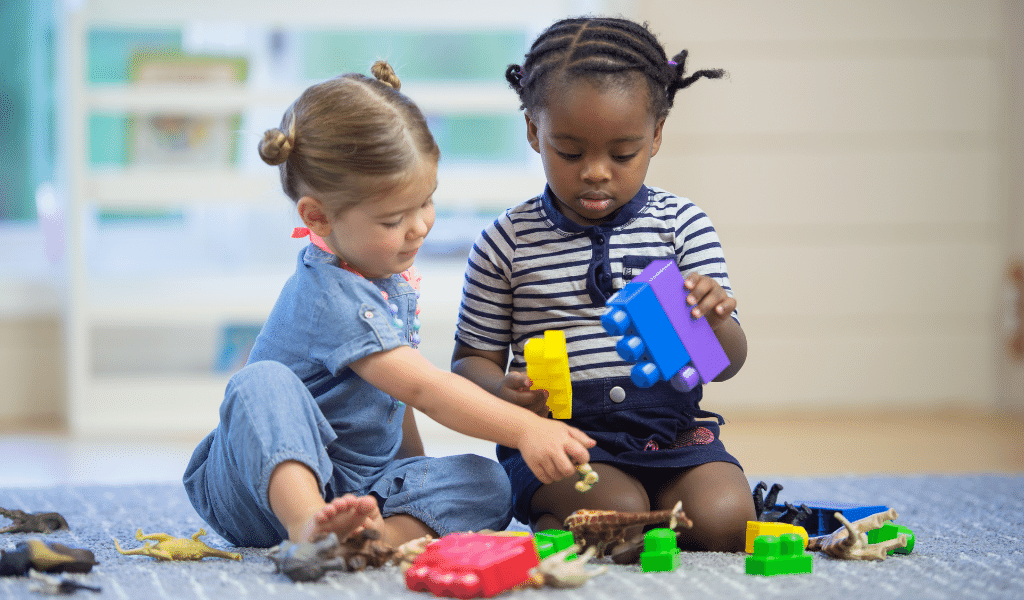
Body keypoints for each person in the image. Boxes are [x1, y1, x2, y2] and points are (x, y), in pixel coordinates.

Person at [183, 61, 595, 550]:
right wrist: (525, 428)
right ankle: (308, 527)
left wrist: (413, 477)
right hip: (257, 488)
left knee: (491, 483)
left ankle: (374, 538)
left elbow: (396, 401)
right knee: (260, 382)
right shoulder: (328, 293)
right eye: (395, 218)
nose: (420, 226)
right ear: (318, 216)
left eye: (427, 202)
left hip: (357, 487)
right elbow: (423, 387)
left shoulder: (386, 282)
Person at [451, 17, 755, 554]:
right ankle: (565, 510)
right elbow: (470, 361)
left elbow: (725, 364)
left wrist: (713, 321)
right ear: (532, 131)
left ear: (656, 136)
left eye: (622, 154)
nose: (595, 172)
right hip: (562, 442)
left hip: (674, 432)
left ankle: (649, 503)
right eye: (569, 152)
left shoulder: (682, 225)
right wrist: (505, 394)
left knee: (727, 522)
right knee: (621, 519)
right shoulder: (506, 241)